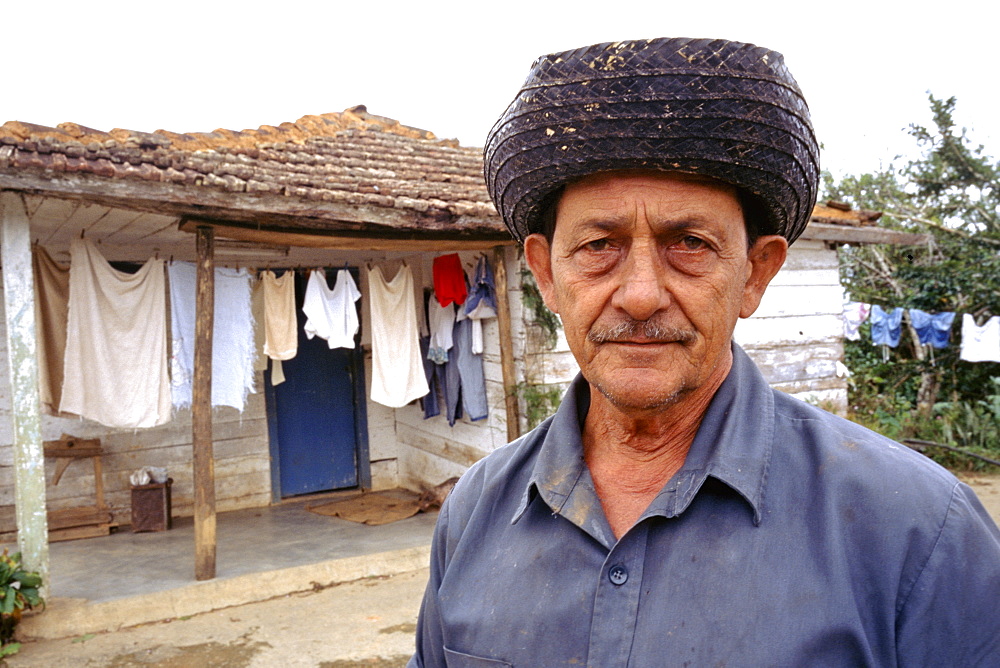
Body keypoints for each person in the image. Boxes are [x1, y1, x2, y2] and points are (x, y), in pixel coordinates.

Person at [409, 37, 1000, 667]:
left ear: (754, 273)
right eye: (598, 245)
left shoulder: (920, 531)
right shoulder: (473, 511)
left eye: (688, 243)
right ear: (545, 275)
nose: (639, 295)